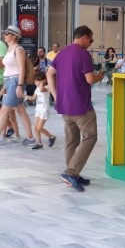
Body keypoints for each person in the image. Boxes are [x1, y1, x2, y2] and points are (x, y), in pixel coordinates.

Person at [47, 25, 104, 191]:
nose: (90, 43)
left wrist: (55, 95)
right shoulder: (83, 53)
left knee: (72, 140)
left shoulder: (62, 52)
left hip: (64, 104)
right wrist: (100, 75)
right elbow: (90, 79)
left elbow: (49, 74)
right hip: (80, 105)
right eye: (91, 40)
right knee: (90, 136)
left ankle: (73, 174)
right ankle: (71, 173)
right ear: (84, 37)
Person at [0, 25, 36, 148]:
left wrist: (20, 85)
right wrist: (5, 85)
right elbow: (7, 69)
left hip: (15, 81)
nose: (4, 35)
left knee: (5, 111)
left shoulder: (18, 49)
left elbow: (21, 69)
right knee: (21, 110)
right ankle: (30, 137)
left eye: (7, 34)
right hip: (9, 81)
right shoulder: (9, 49)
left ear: (14, 36)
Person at [27, 70, 56, 150]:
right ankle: (39, 143)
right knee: (36, 127)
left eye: (37, 80)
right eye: (35, 81)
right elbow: (33, 98)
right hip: (38, 110)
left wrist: (43, 82)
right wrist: (24, 96)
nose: (36, 82)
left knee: (39, 128)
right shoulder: (37, 88)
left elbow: (41, 90)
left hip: (44, 110)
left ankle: (51, 137)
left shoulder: (47, 87)